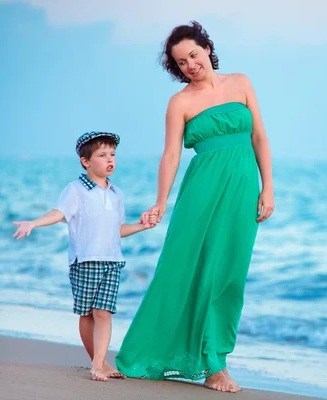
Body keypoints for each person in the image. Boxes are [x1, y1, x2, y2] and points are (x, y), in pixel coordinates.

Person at [115, 20, 275, 393]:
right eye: (180, 62)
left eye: (193, 54)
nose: (190, 64)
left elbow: (259, 137)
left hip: (242, 188)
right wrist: (160, 201)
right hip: (200, 192)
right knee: (183, 268)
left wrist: (268, 188)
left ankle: (215, 355)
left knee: (230, 274)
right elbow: (171, 156)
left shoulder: (241, 83)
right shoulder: (180, 102)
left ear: (206, 48)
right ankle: (210, 367)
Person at [11, 131, 158, 381]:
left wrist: (142, 226)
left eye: (112, 154)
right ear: (85, 161)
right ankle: (97, 362)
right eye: (102, 155)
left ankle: (100, 363)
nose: (110, 159)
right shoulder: (76, 190)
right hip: (85, 260)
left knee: (104, 312)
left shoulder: (116, 193)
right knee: (87, 313)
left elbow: (118, 230)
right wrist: (33, 223)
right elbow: (58, 213)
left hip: (112, 261)